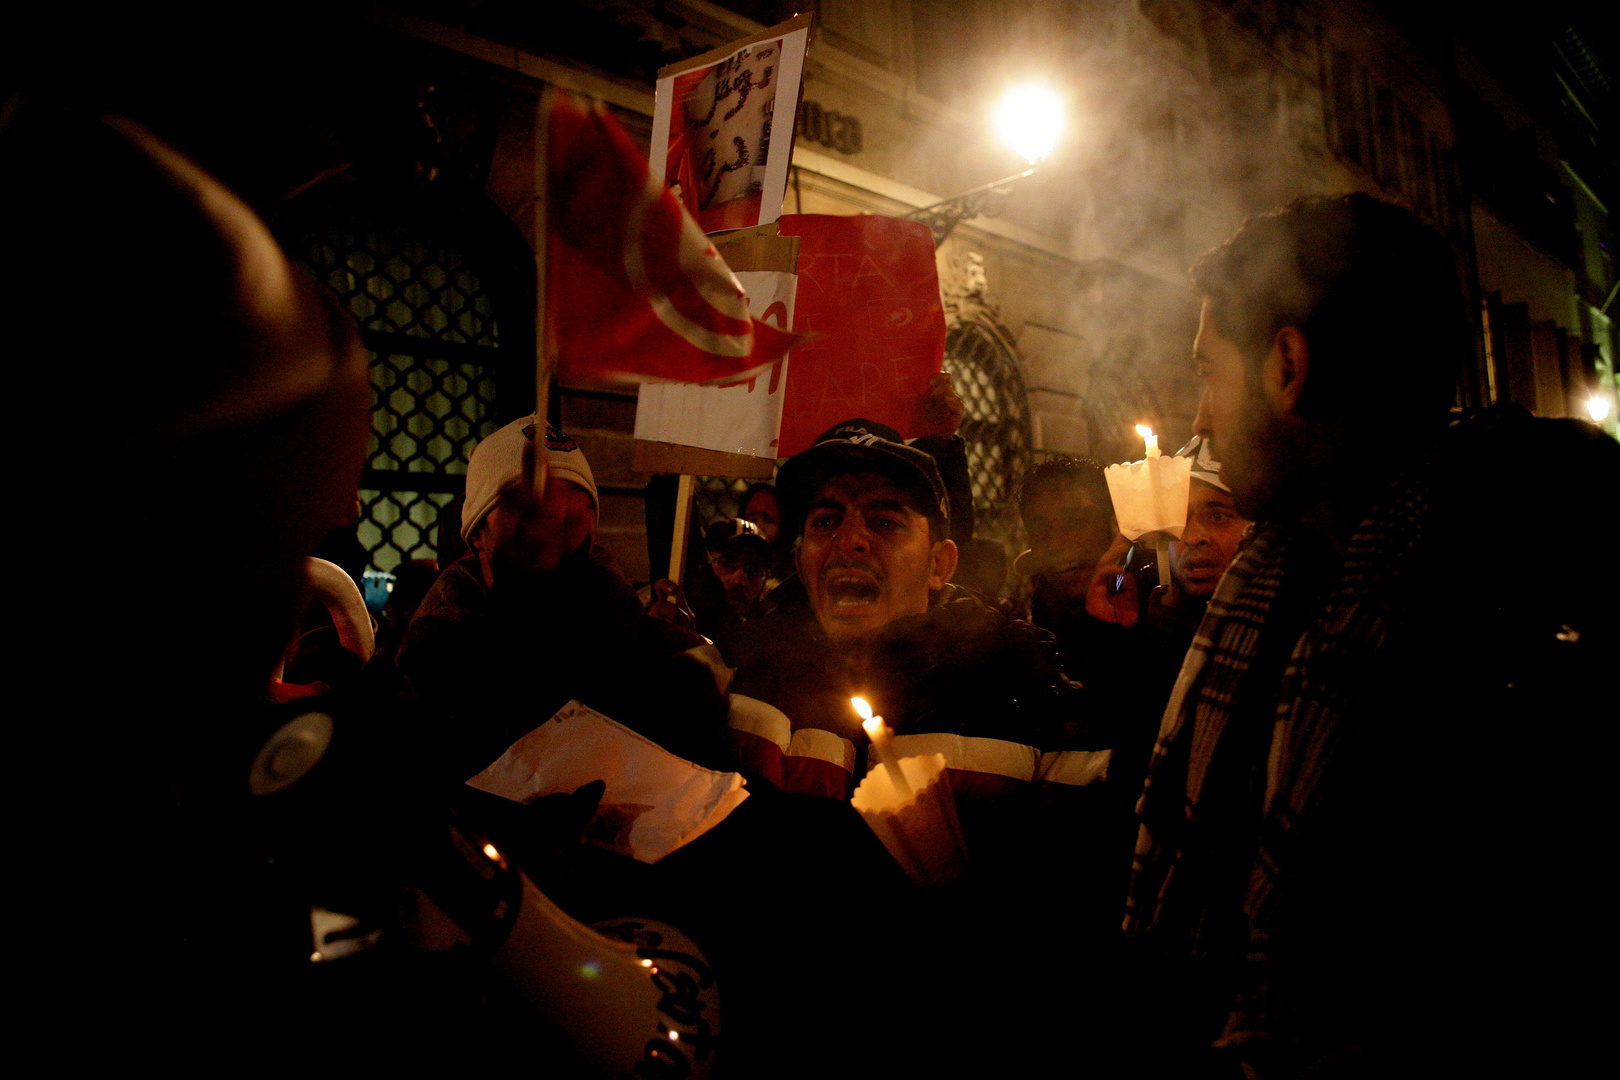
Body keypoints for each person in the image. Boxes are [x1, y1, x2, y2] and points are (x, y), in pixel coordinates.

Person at [1123, 193, 1619, 1077]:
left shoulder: (1497, 629)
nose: (1199, 418)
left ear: (1288, 366)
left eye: (1208, 372)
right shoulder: (1280, 584)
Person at [396, 416, 732, 782]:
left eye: (577, 502)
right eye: (532, 503)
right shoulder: (427, 663)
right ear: (477, 533)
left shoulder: (652, 657)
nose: (556, 516)